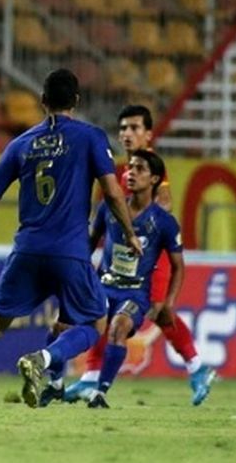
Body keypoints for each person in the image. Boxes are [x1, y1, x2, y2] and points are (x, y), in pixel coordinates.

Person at [0, 68, 141, 416]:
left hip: (27, 250)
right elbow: (112, 191)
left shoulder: (21, 143)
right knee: (94, 323)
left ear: (42, 102)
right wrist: (131, 233)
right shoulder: (90, 137)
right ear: (76, 100)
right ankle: (41, 359)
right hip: (70, 252)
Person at [64, 104, 209, 405]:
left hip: (150, 257)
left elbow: (164, 204)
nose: (127, 134)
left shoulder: (155, 169)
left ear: (148, 134)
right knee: (102, 308)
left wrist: (146, 228)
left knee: (156, 310)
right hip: (123, 255)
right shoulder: (123, 169)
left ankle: (197, 366)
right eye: (123, 129)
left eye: (134, 128)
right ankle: (91, 376)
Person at [74, 151, 190, 408]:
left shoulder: (165, 222)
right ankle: (53, 379)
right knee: (70, 326)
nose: (131, 173)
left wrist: (169, 302)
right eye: (130, 168)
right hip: (102, 286)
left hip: (135, 294)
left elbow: (178, 266)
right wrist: (77, 275)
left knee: (118, 328)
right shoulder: (108, 207)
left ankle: (100, 392)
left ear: (155, 179)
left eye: (139, 169)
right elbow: (89, 245)